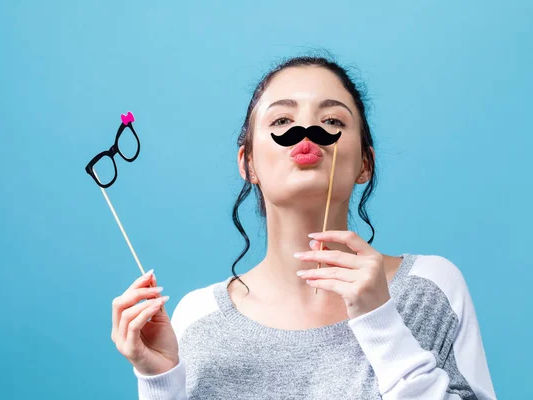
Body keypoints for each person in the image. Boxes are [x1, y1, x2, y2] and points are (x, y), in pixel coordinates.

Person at [110, 56, 497, 399]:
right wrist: (159, 382)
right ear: (249, 164)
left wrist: (381, 321)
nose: (308, 131)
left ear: (365, 163)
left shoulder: (430, 287)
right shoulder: (199, 318)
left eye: (331, 120)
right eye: (282, 120)